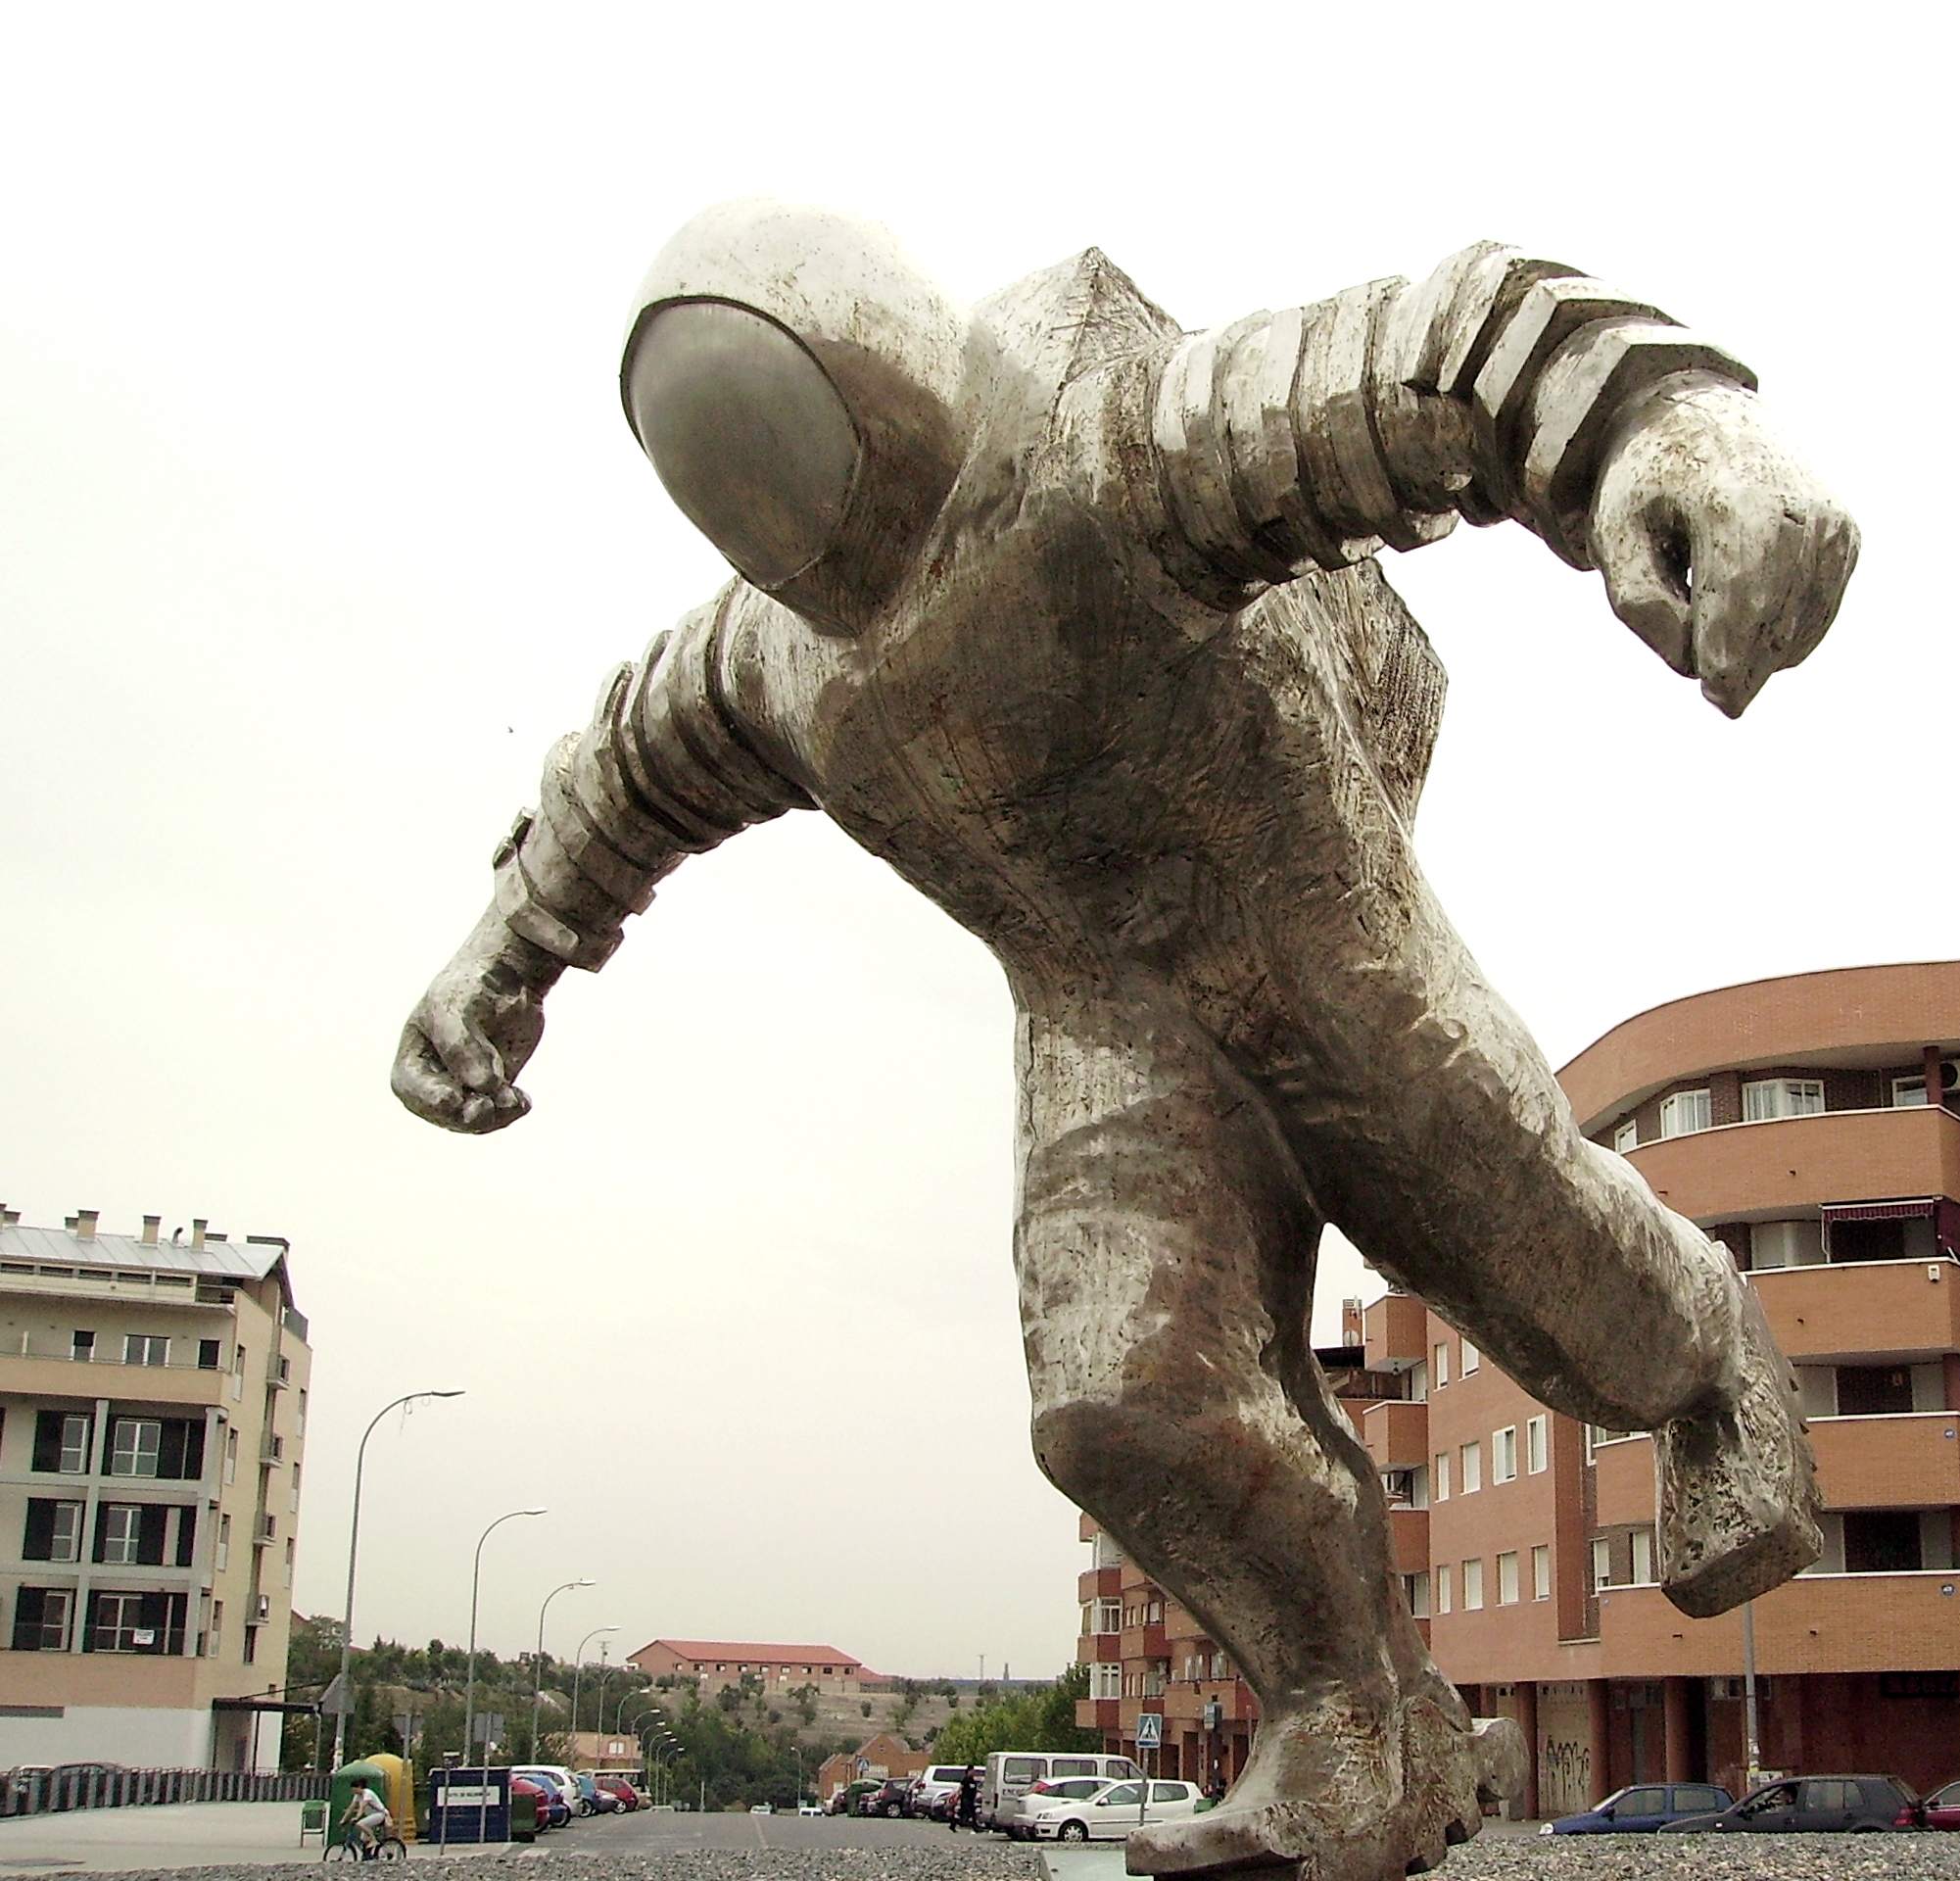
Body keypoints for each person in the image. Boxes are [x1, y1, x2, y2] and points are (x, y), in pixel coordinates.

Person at [394, 199, 1853, 1881]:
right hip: (1104, 1023)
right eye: (755, 512)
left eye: (806, 469)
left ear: (892, 398)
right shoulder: (772, 659)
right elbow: (625, 774)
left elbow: (1421, 360)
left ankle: (1712, 1363)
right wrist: (503, 959)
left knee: (1520, 1233)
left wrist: (1658, 426)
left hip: (1308, 925)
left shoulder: (1108, 450)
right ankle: (1357, 1728)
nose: (805, 534)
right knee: (1119, 1405)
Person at [345, 1778, 392, 1859]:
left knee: (360, 1824)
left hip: (380, 1814)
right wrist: (343, 1820)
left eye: (354, 1789)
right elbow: (350, 1808)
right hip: (371, 1817)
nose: (353, 1792)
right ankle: (368, 1855)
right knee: (363, 1838)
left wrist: (357, 1817)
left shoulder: (368, 1793)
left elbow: (363, 1806)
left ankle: (373, 1840)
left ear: (359, 1787)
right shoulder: (357, 1796)